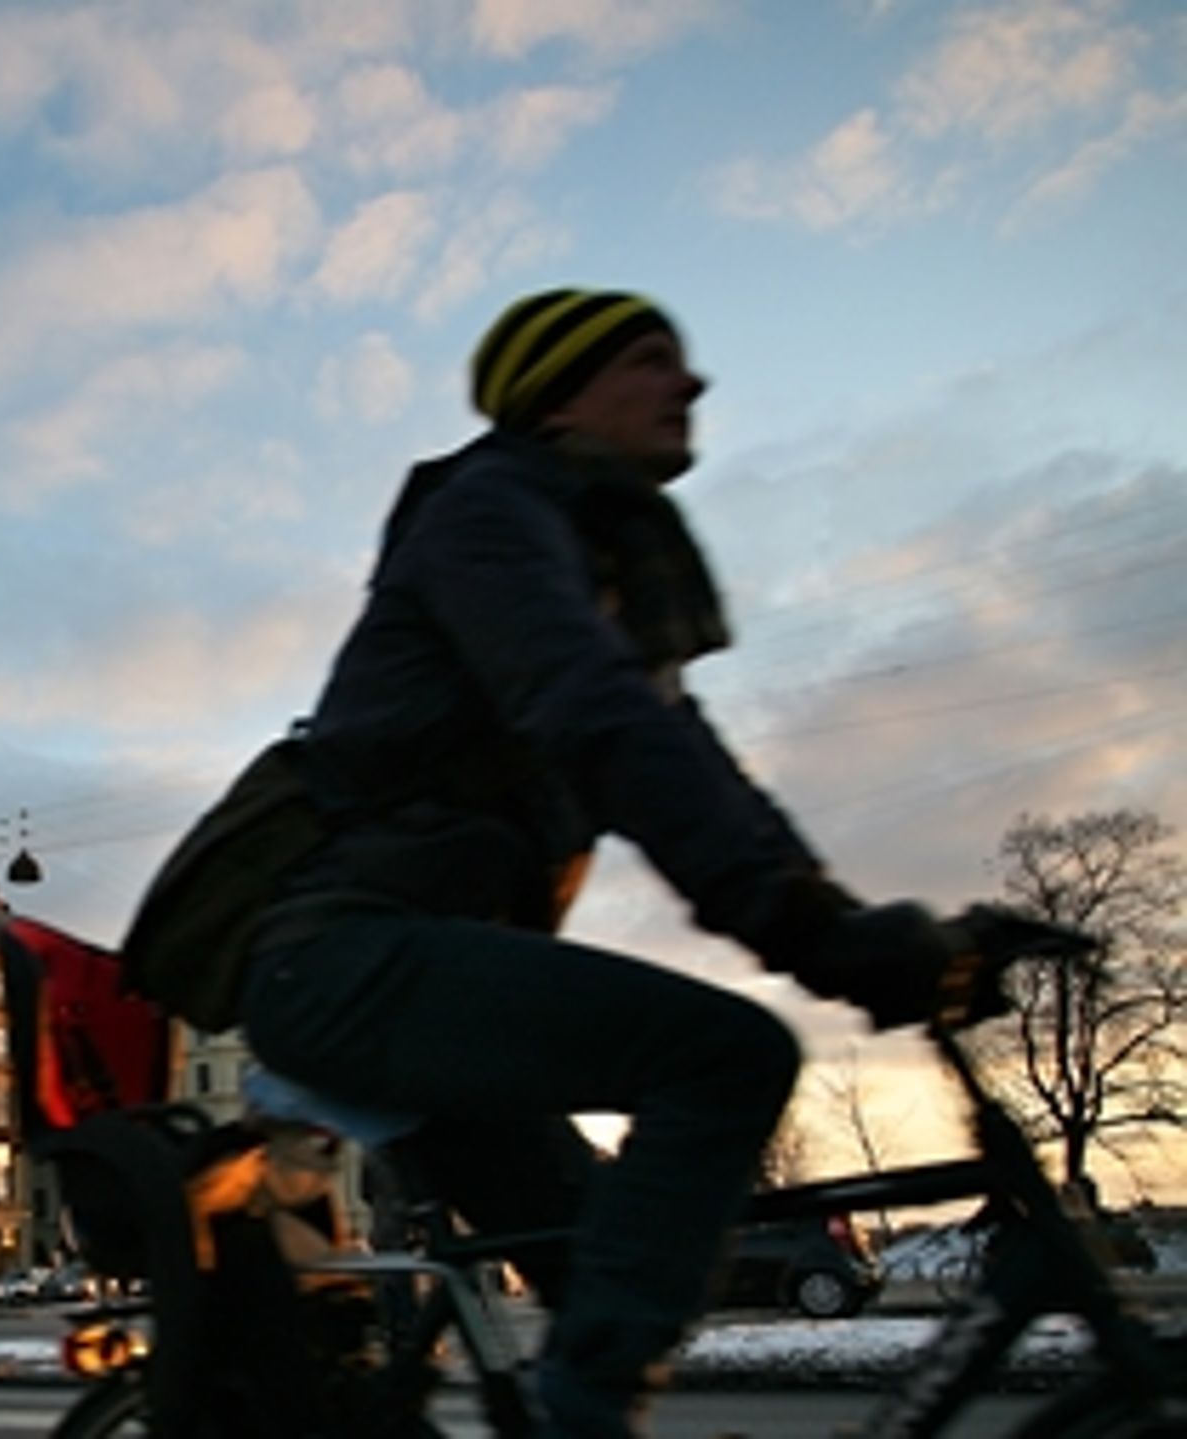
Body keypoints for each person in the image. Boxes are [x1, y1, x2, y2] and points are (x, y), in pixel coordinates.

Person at [240, 288, 963, 1438]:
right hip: (344, 959)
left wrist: (839, 917)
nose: (690, 383)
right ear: (561, 393)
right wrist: (814, 935)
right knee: (724, 1056)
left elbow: (692, 764)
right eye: (649, 358)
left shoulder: (601, 574)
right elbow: (596, 719)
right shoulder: (490, 517)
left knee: (600, 1269)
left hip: (420, 971)